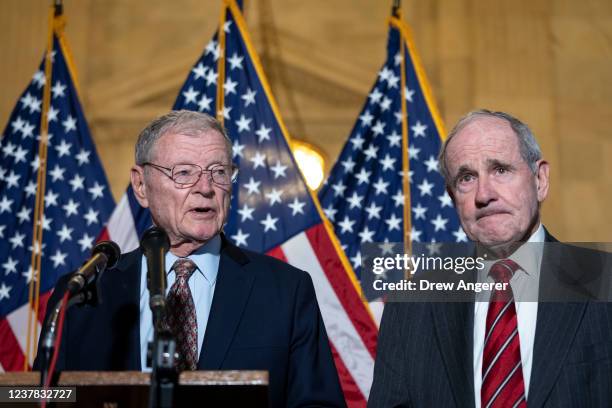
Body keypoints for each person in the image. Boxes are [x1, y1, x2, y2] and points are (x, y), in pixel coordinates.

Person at [36, 110, 346, 408]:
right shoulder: (82, 294)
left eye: (219, 172)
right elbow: (33, 397)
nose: (206, 188)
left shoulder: (285, 291)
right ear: (141, 185)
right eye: (184, 172)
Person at [368, 110, 612, 407]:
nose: (484, 194)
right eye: (467, 178)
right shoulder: (412, 307)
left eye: (500, 170)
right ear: (452, 197)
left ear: (540, 180)